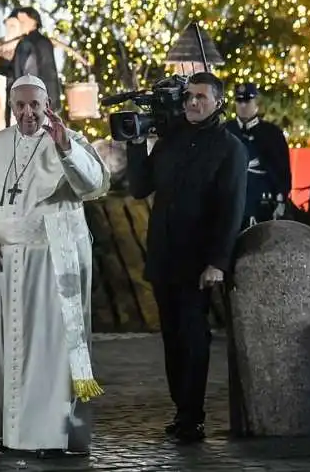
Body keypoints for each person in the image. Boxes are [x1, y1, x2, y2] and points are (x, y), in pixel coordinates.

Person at [0, 74, 110, 456]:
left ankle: (51, 436)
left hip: (52, 263)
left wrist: (64, 149)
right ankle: (12, 434)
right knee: (6, 351)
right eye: (20, 106)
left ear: (47, 104)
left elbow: (91, 184)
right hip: (5, 264)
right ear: (12, 108)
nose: (28, 113)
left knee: (49, 352)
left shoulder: (68, 140)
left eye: (34, 105)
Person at [125, 72, 247, 444]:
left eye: (201, 97)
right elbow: (139, 187)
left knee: (194, 339)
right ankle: (182, 410)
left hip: (199, 262)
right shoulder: (171, 139)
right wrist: (135, 142)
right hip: (165, 255)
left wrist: (218, 263)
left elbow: (231, 209)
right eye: (189, 97)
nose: (193, 103)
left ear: (218, 102)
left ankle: (193, 415)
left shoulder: (230, 148)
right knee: (172, 338)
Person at [225, 82, 292, 228]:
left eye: (247, 101)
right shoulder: (225, 131)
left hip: (262, 202)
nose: (243, 105)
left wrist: (281, 198)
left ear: (256, 103)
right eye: (239, 101)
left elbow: (282, 169)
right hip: (230, 202)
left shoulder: (272, 133)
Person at [0, 7, 61, 122]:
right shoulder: (43, 42)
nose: (20, 25)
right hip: (45, 102)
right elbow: (15, 69)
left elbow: (18, 72)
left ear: (34, 21)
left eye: (22, 22)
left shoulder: (26, 43)